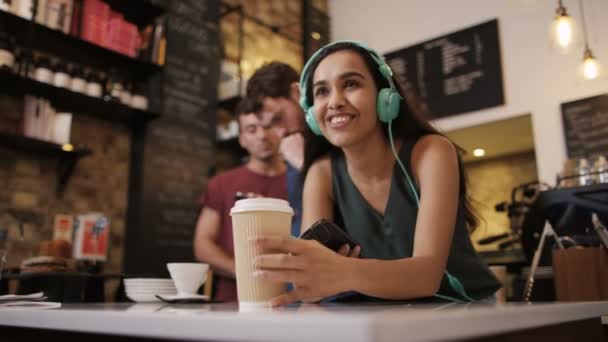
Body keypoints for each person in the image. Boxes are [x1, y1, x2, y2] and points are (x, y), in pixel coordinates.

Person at [253, 41, 501, 307]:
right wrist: (312, 277)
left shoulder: (431, 152)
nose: (335, 101)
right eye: (322, 91)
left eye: (351, 84)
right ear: (312, 114)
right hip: (386, 314)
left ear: (385, 97)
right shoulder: (320, 172)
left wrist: (341, 271)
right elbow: (312, 284)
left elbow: (427, 277)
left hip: (464, 309)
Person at [193, 98, 288, 302]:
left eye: (268, 126)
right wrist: (249, 274)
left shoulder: (305, 180)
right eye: (252, 129)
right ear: (242, 138)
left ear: (281, 129)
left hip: (293, 300)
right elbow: (203, 245)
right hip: (232, 302)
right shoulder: (221, 184)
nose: (262, 135)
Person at [246, 62, 306, 236]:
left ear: (297, 93)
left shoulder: (334, 130)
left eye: (279, 117)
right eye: (271, 125)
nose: (281, 132)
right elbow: (302, 217)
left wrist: (303, 162)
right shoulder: (293, 145)